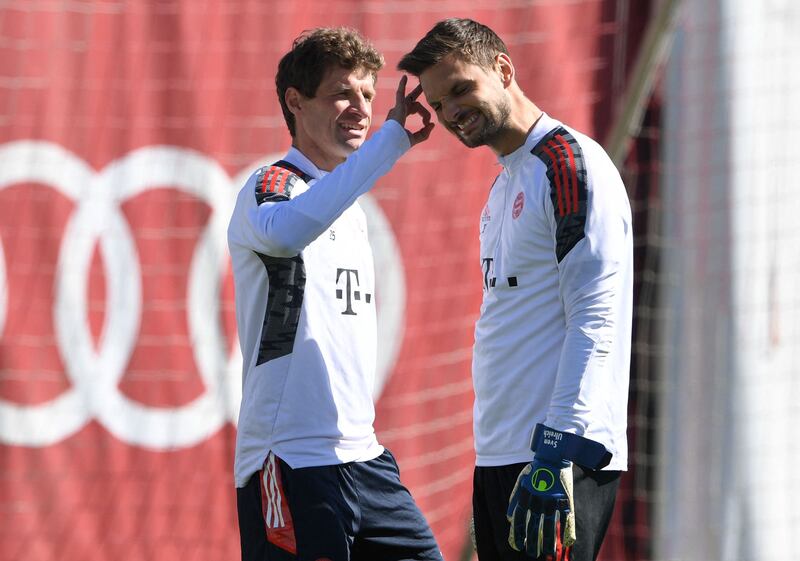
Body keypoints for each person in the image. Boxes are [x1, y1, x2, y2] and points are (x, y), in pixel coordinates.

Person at [399, 18, 632, 561]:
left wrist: (554, 453)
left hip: (558, 458)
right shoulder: (506, 181)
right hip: (503, 455)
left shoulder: (568, 164)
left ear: (504, 70)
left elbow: (596, 318)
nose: (452, 111)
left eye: (460, 88)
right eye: (439, 104)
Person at [228, 27, 439, 561]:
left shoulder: (349, 206)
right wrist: (389, 144)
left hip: (365, 458)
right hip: (292, 458)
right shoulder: (272, 185)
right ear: (295, 102)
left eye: (368, 94)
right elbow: (284, 231)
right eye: (343, 92)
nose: (361, 109)